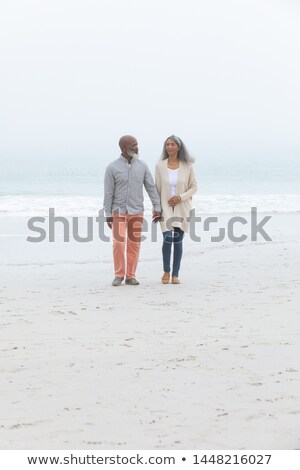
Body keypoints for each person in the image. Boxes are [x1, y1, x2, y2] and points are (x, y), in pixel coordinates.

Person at [104, 135, 161, 286]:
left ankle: (130, 275)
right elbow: (108, 192)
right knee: (118, 243)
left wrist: (157, 207)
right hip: (118, 211)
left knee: (134, 244)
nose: (136, 148)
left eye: (137, 145)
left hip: (137, 211)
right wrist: (108, 214)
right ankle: (119, 274)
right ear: (123, 148)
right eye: (133, 146)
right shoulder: (112, 167)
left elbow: (151, 187)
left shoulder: (142, 166)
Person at [155, 135, 197, 284]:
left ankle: (175, 274)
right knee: (167, 238)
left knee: (178, 240)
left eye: (173, 144)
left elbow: (194, 187)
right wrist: (156, 208)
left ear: (179, 147)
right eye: (167, 144)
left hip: (182, 207)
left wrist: (180, 197)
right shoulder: (160, 166)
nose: (170, 147)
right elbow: (157, 189)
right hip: (165, 207)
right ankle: (166, 271)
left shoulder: (187, 165)